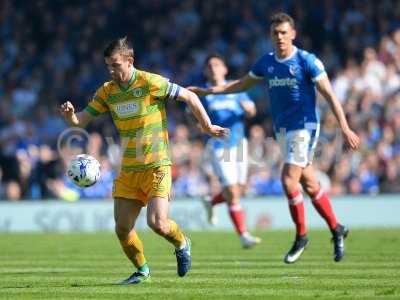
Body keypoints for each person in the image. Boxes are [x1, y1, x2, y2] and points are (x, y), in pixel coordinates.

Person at [188, 13, 360, 263]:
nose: (279, 37)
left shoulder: (306, 61)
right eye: (275, 33)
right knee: (310, 184)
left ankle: (301, 236)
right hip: (283, 130)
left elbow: (331, 95)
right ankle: (337, 228)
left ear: (293, 34)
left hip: (305, 126)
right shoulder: (266, 63)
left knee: (289, 181)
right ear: (270, 36)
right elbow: (241, 85)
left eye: (283, 32)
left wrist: (345, 127)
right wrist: (207, 91)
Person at [60, 37, 229, 284]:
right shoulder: (107, 92)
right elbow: (81, 121)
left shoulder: (150, 82)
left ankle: (182, 242)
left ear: (130, 61)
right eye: (108, 66)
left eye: (116, 65)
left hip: (157, 165)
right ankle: (142, 271)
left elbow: (190, 98)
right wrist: (71, 116)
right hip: (129, 170)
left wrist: (206, 126)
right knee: (122, 229)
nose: (112, 70)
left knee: (157, 223)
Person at [195, 54, 261, 248]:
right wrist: (201, 126)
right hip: (219, 146)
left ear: (225, 69)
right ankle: (243, 236)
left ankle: (211, 201)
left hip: (240, 144)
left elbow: (252, 110)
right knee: (232, 190)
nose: (213, 68)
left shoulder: (235, 88)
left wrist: (249, 109)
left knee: (238, 189)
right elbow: (193, 116)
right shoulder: (205, 93)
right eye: (210, 65)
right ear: (206, 71)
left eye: (217, 64)